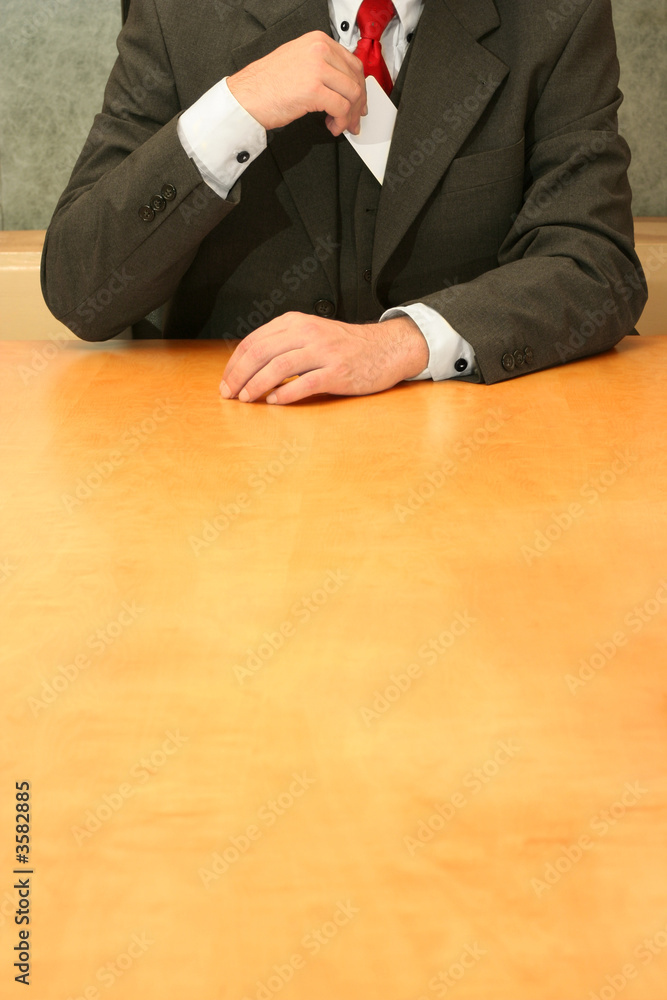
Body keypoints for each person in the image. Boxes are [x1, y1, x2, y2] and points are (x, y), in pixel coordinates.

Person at [41, 0, 647, 405]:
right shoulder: (181, 11)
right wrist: (234, 109)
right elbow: (79, 291)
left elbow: (597, 264)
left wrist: (402, 345)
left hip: (474, 464)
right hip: (221, 466)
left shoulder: (557, 14)